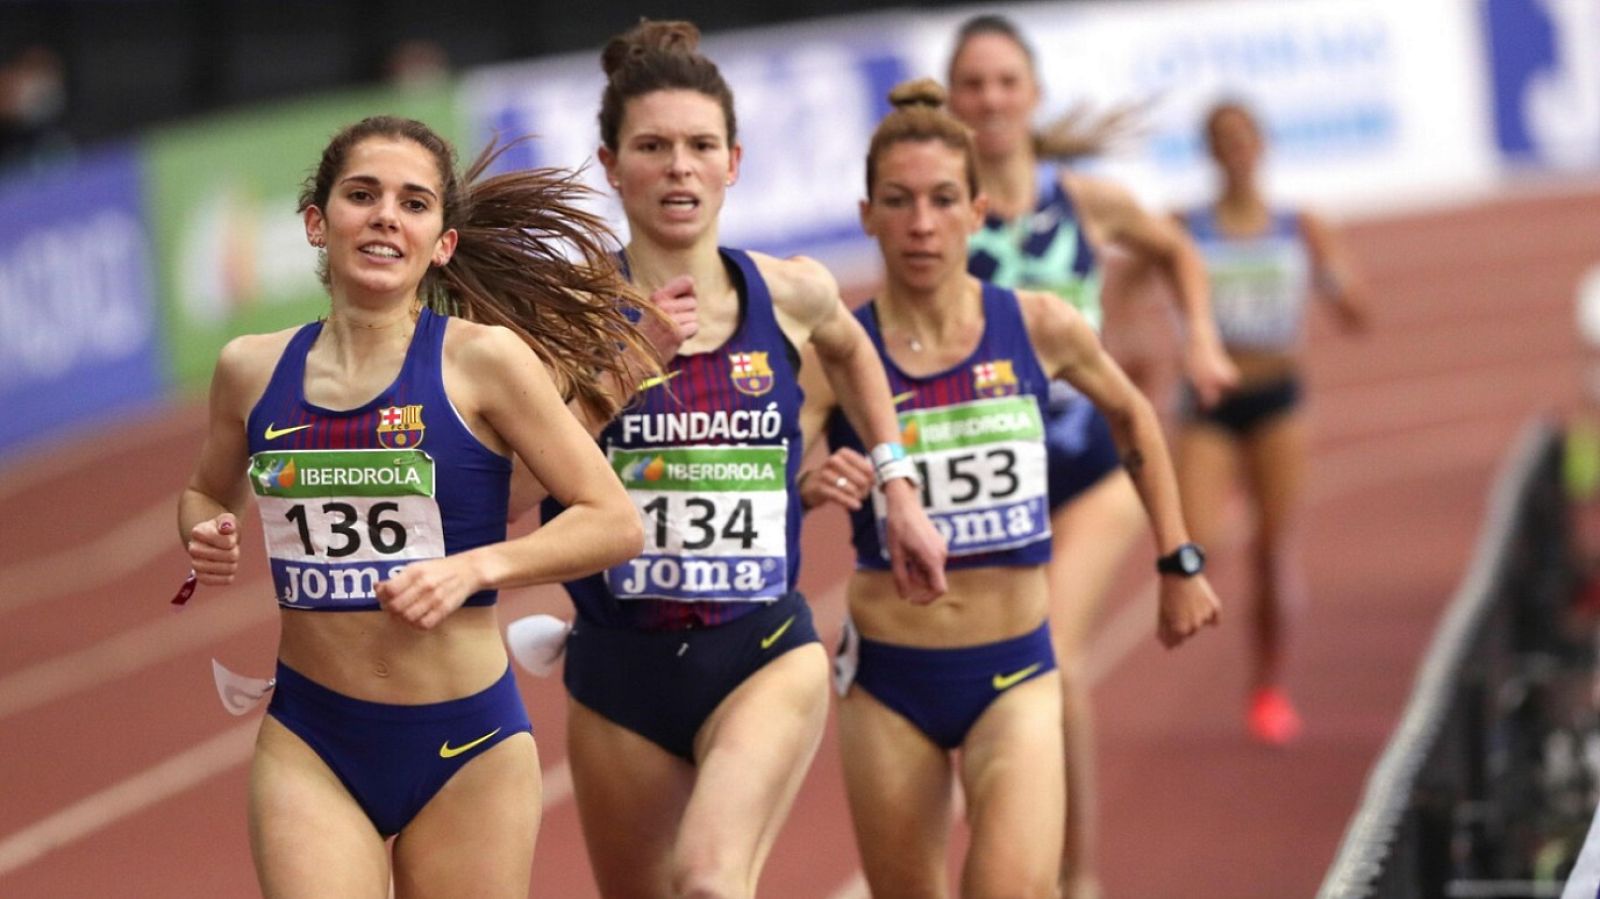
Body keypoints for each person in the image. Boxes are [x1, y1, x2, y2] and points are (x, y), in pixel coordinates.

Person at [522, 20, 947, 899]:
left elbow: (855, 349)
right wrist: (622, 365)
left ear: (734, 163)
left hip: (760, 648)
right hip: (615, 666)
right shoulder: (562, 320)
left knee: (710, 881)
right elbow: (518, 484)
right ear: (609, 165)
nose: (679, 166)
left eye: (699, 146)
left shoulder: (790, 291)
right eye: (653, 146)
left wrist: (899, 484)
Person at [177, 115, 652, 898]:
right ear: (316, 221)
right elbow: (203, 489)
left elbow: (614, 520)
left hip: (468, 744)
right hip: (312, 739)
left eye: (415, 202)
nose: (386, 216)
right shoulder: (249, 370)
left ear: (443, 243)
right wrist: (204, 529)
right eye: (362, 195)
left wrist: (473, 568)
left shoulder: (484, 362)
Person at [798, 78, 1220, 899]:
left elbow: (1135, 419)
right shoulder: (838, 352)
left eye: (942, 199)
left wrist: (1179, 558)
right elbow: (766, 472)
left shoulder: (1037, 324)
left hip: (1016, 673)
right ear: (867, 215)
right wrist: (810, 481)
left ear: (977, 211)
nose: (921, 223)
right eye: (899, 201)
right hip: (889, 681)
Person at [943, 14, 1238, 897]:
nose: (991, 99)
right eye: (974, 84)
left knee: (1055, 657)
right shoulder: (943, 210)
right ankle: (1024, 855)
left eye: (1006, 81)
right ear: (954, 101)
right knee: (975, 673)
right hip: (984, 476)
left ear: (1032, 94)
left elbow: (1176, 246)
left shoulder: (1085, 201)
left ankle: (1077, 874)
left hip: (1090, 467)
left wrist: (1202, 343)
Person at [1175, 100, 1369, 746]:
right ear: (1208, 150)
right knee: (1197, 539)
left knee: (1272, 553)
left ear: (1262, 145)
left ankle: (1268, 684)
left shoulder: (1300, 226)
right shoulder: (1185, 228)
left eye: (1244, 136)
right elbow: (1125, 291)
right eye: (1222, 138)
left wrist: (1338, 280)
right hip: (1208, 403)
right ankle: (1229, 503)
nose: (1235, 148)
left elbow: (1359, 314)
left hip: (1277, 400)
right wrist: (1126, 335)